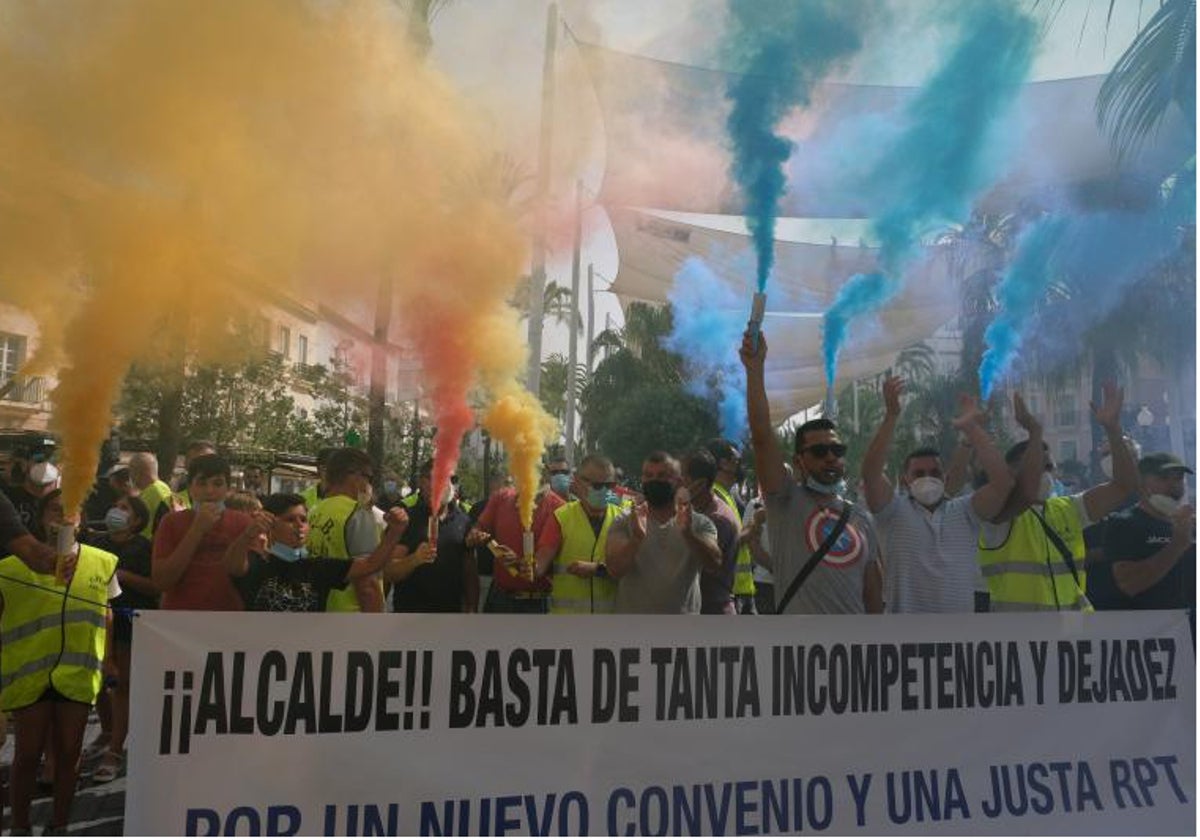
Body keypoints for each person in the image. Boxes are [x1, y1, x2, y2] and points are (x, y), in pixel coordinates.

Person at [0, 490, 119, 835]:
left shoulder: (102, 562)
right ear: (39, 517)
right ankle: (20, 827)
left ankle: (59, 826)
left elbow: (108, 613)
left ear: (81, 519)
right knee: (26, 755)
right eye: (55, 510)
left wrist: (109, 658)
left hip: (77, 672)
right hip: (30, 673)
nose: (63, 518)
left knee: (70, 753)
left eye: (71, 512)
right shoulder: (9, 566)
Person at [740, 332, 884, 614]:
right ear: (799, 461)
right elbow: (761, 437)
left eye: (837, 450)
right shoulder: (783, 501)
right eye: (819, 452)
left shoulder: (862, 518)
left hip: (852, 653)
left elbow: (873, 596)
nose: (830, 457)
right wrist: (755, 370)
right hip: (798, 653)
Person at [976, 386, 1138, 612]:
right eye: (1036, 466)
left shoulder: (1068, 508)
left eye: (1049, 466)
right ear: (1010, 472)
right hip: (1020, 638)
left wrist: (1113, 429)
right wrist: (1035, 431)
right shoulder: (997, 516)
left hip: (1071, 637)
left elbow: (1123, 486)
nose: (1045, 473)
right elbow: (1026, 495)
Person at [860, 378, 1014, 613]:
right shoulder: (892, 512)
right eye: (919, 473)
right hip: (905, 639)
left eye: (934, 472)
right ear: (905, 480)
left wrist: (972, 429)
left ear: (945, 478)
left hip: (958, 639)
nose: (927, 477)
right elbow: (871, 473)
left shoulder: (965, 512)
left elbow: (1003, 483)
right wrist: (891, 416)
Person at [225, 493, 409, 612]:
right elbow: (232, 566)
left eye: (303, 519)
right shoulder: (258, 563)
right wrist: (248, 534)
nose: (299, 526)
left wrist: (395, 532)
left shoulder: (317, 567)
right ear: (271, 523)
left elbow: (371, 565)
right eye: (290, 520)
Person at [82, 495, 156, 784]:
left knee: (121, 685)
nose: (116, 510)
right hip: (96, 624)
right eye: (116, 505)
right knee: (97, 685)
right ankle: (107, 730)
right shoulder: (97, 544)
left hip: (128, 624)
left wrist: (122, 576)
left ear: (137, 520)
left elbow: (155, 587)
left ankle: (115, 751)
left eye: (125, 508)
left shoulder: (144, 548)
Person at [605, 451, 723, 614]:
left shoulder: (700, 523)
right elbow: (614, 570)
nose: (655, 481)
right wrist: (637, 539)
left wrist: (688, 534)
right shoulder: (625, 521)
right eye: (649, 475)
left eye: (662, 476)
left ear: (679, 481)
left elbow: (715, 564)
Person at [1089, 453, 1195, 632]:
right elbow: (1129, 584)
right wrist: (1177, 545)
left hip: (1188, 633)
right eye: (1163, 478)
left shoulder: (1189, 524)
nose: (1174, 485)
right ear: (1142, 484)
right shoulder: (1125, 523)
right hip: (1148, 637)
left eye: (1179, 478)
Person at [152, 453, 251, 611]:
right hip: (178, 617)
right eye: (202, 483)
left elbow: (245, 574)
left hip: (229, 615)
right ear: (190, 488)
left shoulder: (244, 523)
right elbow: (161, 582)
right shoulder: (170, 522)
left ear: (228, 489)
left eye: (217, 484)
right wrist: (197, 529)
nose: (209, 491)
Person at [474, 458, 566, 613]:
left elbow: (539, 566)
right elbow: (479, 528)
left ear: (542, 473)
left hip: (537, 603)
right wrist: (475, 536)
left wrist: (519, 562)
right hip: (499, 598)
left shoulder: (559, 508)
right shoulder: (502, 498)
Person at [536, 454, 624, 614]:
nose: (603, 490)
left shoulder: (622, 519)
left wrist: (598, 569)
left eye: (608, 485)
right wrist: (521, 565)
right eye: (596, 485)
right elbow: (538, 566)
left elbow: (633, 569)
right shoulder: (561, 518)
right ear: (577, 481)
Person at [387, 459, 478, 613]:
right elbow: (389, 572)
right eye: (434, 478)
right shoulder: (407, 519)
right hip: (409, 618)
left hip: (450, 618)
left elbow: (469, 571)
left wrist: (472, 608)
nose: (442, 484)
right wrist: (415, 559)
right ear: (422, 483)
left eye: (449, 478)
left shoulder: (463, 520)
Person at [304, 448, 386, 613]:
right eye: (368, 477)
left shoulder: (314, 511)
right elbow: (367, 584)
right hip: (353, 619)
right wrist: (377, 628)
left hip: (321, 611)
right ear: (354, 476)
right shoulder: (358, 512)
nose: (368, 485)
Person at [682, 450, 740, 615]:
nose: (676, 483)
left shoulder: (717, 519)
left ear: (699, 484)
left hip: (712, 611)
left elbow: (706, 566)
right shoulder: (697, 510)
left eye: (682, 477)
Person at [705, 439, 757, 613]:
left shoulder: (727, 496)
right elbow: (720, 543)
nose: (740, 465)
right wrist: (752, 527)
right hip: (728, 594)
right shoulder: (713, 497)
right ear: (722, 463)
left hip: (738, 592)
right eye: (736, 460)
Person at [129, 451, 174, 538]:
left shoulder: (151, 494)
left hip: (148, 546)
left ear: (137, 472)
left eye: (131, 471)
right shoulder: (163, 487)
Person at [171, 440, 217, 508]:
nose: (204, 466)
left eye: (210, 461)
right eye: (197, 462)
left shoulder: (228, 499)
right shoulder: (174, 493)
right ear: (186, 464)